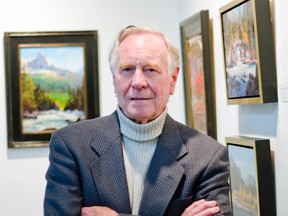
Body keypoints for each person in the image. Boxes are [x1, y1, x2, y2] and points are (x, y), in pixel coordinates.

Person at [44, 25, 231, 216]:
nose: (138, 82)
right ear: (114, 80)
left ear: (173, 79)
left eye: (150, 69)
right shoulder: (71, 146)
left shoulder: (208, 157)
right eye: (127, 69)